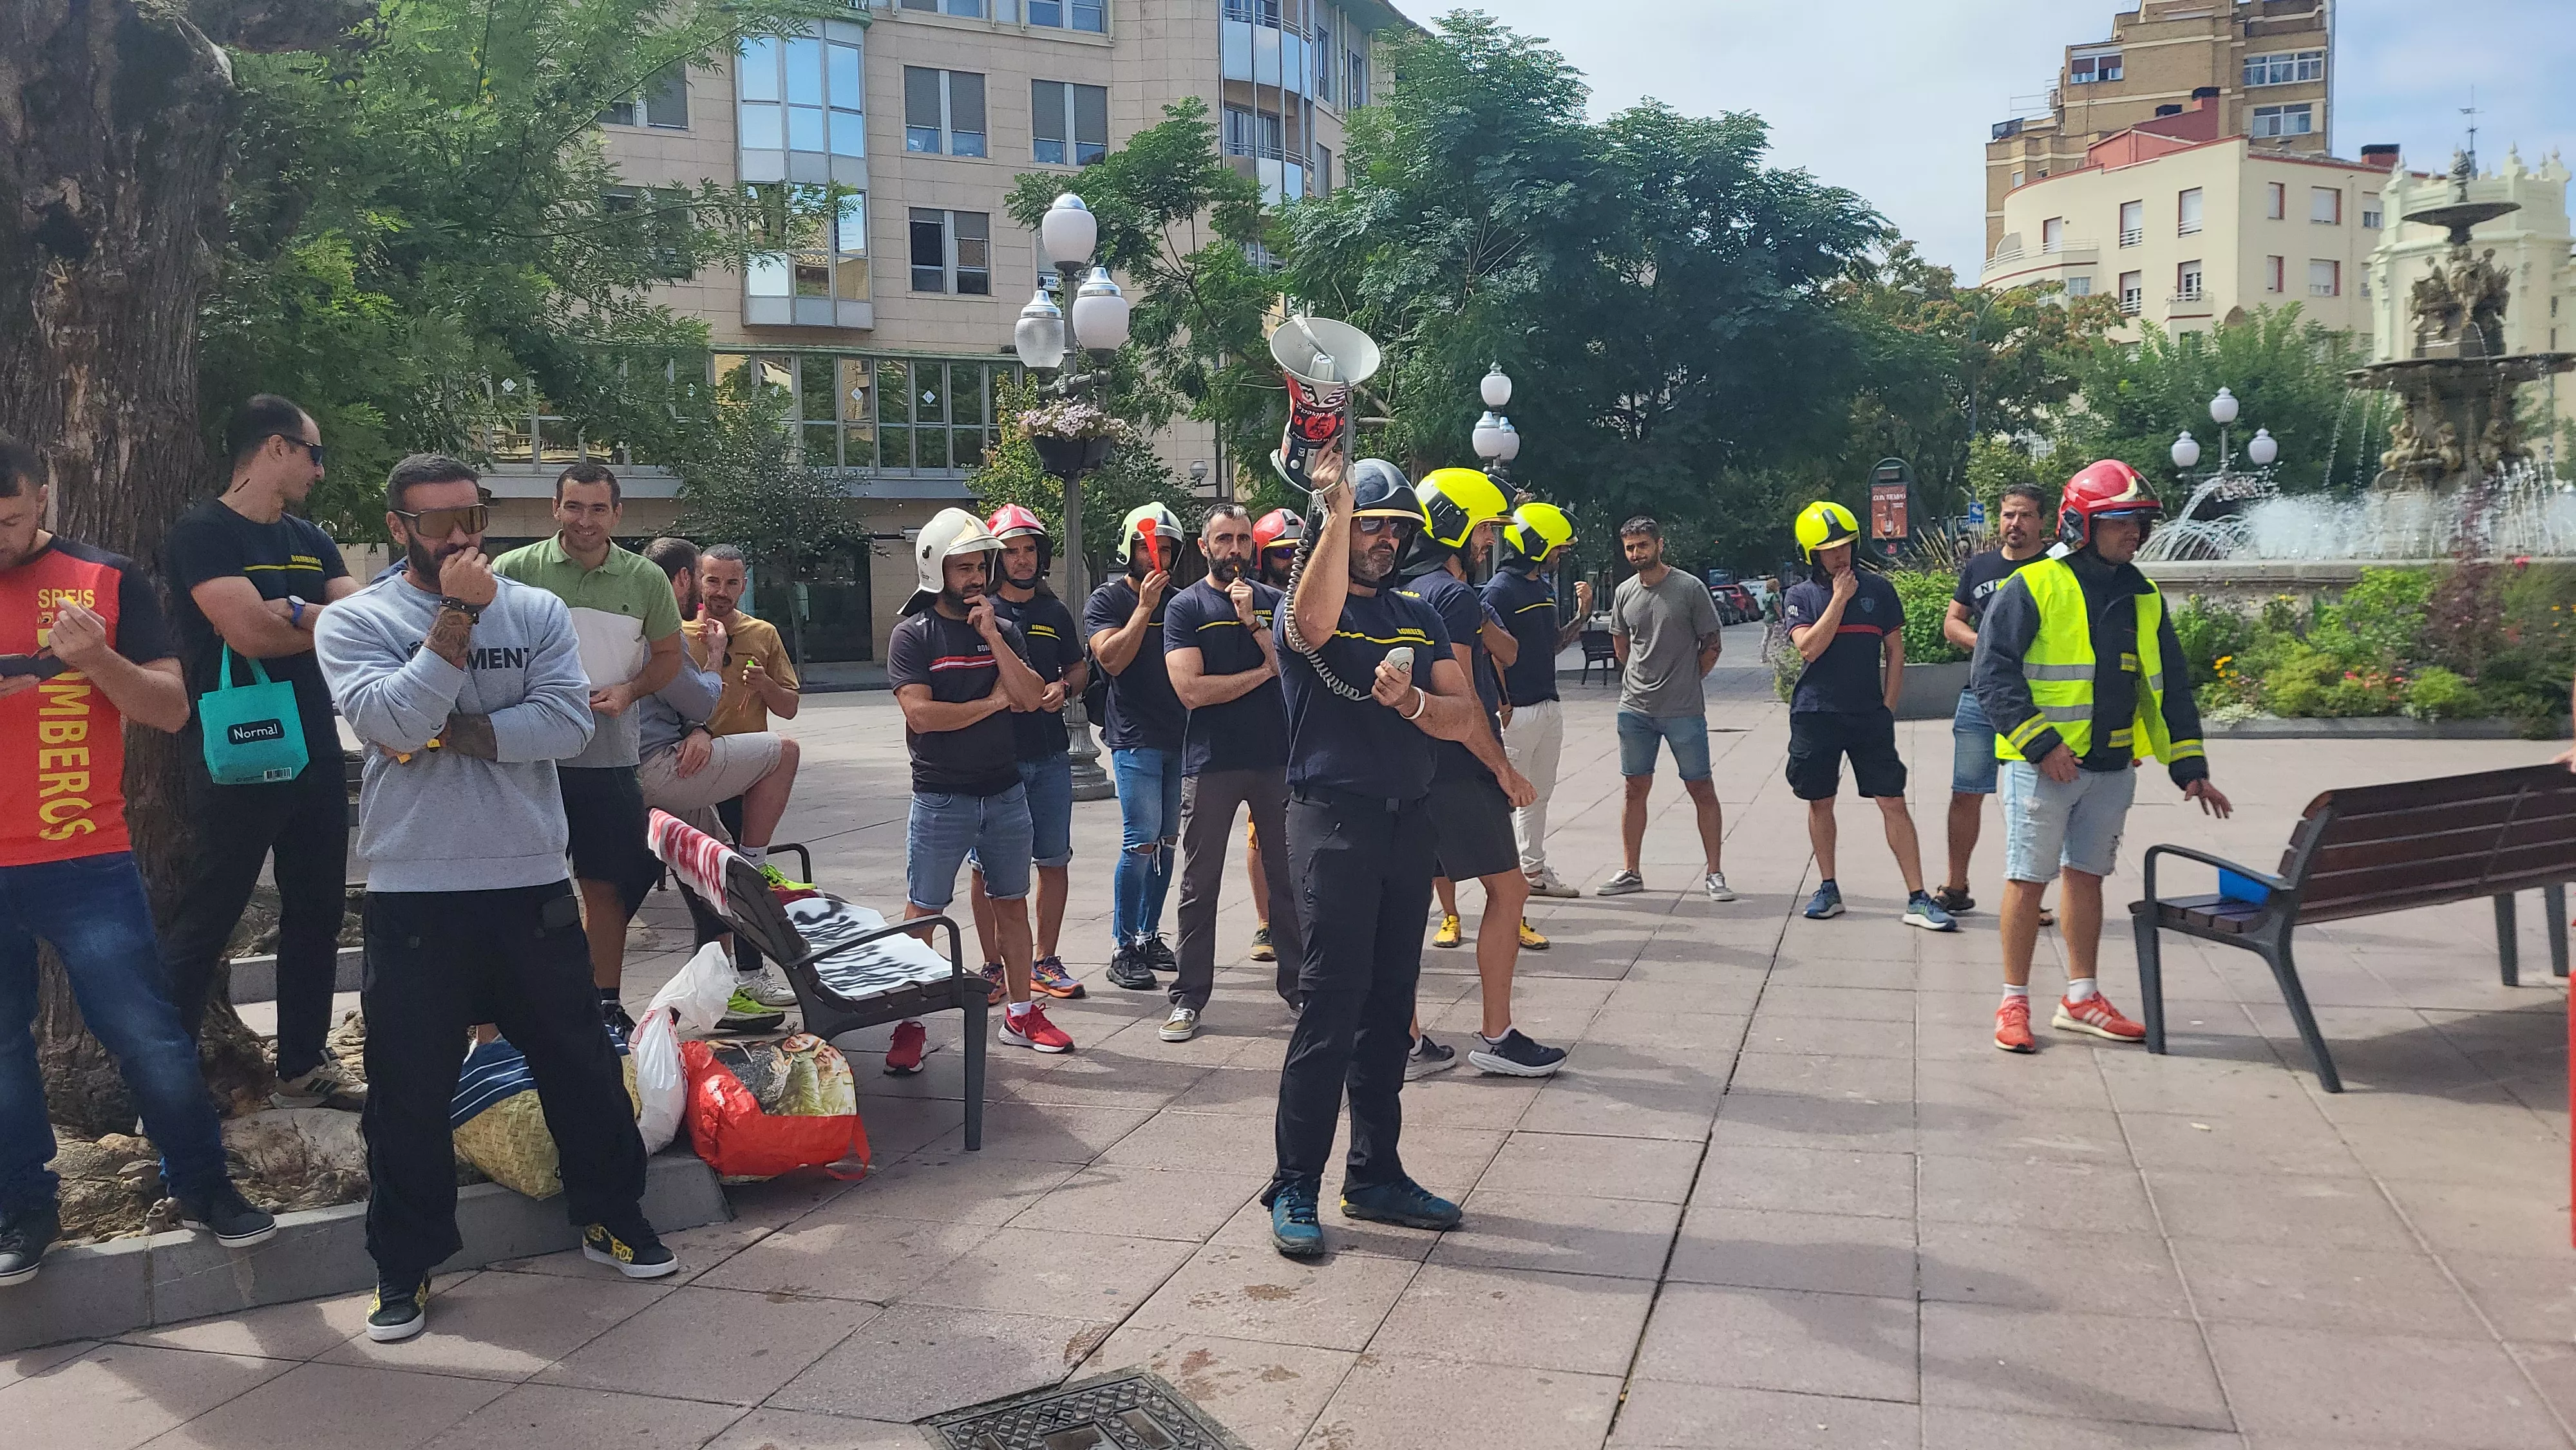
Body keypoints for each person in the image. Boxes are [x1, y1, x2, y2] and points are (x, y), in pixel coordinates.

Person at [316, 453, 670, 1344]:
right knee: (407, 1088)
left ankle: (610, 1214)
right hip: (416, 890)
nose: (459, 536)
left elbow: (569, 723)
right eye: (437, 522)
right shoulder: (356, 622)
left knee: (578, 1060)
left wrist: (447, 729)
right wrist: (454, 624)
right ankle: (405, 1264)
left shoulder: (538, 610)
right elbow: (387, 725)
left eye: (469, 516)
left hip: (529, 881)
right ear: (399, 527)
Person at [0, 431, 278, 1288]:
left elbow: (166, 707)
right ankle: (23, 1211)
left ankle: (203, 1188)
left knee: (151, 1040)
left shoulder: (104, 578)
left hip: (85, 859)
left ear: (41, 497)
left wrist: (95, 661)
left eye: (8, 520)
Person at [1264, 451, 1494, 1259]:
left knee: (1391, 1007)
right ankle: (1294, 1182)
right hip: (1332, 821)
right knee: (1329, 1006)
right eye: (1371, 525)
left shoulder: (1418, 613)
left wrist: (1420, 702)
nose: (1385, 539)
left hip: (1407, 824)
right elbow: (1314, 627)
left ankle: (1375, 1174)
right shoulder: (1303, 611)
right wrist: (1332, 513)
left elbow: (1463, 714)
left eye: (1394, 527)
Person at [1972, 460, 2231, 1053]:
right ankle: (2013, 1002)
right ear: (2079, 524)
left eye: (2139, 523)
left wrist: (2190, 768)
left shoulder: (2144, 595)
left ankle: (2081, 998)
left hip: (2112, 767)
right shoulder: (2034, 584)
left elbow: (2170, 684)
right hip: (2041, 767)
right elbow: (1991, 674)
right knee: (2027, 880)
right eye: (2120, 522)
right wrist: (2041, 745)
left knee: (2087, 880)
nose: (2133, 534)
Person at [158, 395, 365, 1109]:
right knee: (211, 912)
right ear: (276, 447)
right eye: (315, 452)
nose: (321, 468)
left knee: (318, 907)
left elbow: (364, 621)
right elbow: (250, 634)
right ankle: (166, 1074)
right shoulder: (203, 531)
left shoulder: (313, 536)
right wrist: (313, 620)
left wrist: (300, 614)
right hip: (236, 750)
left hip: (314, 748)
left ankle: (304, 1062)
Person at [494, 464, 685, 1036]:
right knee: (517, 881)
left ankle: (604, 1002)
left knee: (606, 882)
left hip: (609, 753)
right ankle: (509, 1009)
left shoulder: (646, 578)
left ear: (617, 514)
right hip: (529, 753)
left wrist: (630, 690)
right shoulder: (513, 570)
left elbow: (669, 659)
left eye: (598, 509)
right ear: (555, 507)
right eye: (574, 507)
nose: (585, 520)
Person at [883, 509, 1069, 1070]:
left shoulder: (1002, 629)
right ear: (934, 570)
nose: (974, 578)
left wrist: (993, 635)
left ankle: (1020, 1013)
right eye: (960, 567)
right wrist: (992, 703)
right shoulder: (912, 635)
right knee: (924, 912)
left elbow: (1032, 695)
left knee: (1012, 905)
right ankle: (909, 1024)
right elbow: (922, 716)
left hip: (1005, 792)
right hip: (942, 795)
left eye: (978, 566)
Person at [1396, 471, 1556, 1078]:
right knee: (1510, 891)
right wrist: (1505, 769)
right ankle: (1495, 1033)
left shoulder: (1411, 589)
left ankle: (1405, 1039)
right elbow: (1461, 699)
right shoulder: (1456, 597)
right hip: (1458, 768)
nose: (1491, 540)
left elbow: (1506, 653)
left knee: (1409, 904)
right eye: (1485, 527)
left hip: (1413, 769)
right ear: (1457, 525)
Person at [634, 537, 800, 1030]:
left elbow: (788, 706)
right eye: (712, 580)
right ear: (693, 581)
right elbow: (685, 704)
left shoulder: (762, 633)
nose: (721, 591)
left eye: (732, 582)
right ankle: (720, 982)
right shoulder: (672, 632)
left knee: (734, 877)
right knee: (711, 884)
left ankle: (745, 978)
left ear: (744, 585)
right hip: (691, 770)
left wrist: (764, 686)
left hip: (746, 776)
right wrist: (702, 729)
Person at [1162, 505, 1302, 1042]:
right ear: (1204, 546)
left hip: (1276, 759)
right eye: (1225, 539)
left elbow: (1289, 671)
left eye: (1244, 539)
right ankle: (1188, 997)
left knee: (1288, 880)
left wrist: (1255, 627)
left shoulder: (1272, 603)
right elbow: (1192, 691)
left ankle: (1298, 989)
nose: (1236, 549)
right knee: (1200, 883)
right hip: (1212, 762)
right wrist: (1260, 672)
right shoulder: (1185, 607)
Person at [1782, 501, 1955, 930]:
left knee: (1892, 801)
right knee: (1820, 801)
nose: (1839, 555)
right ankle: (1828, 887)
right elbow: (1809, 648)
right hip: (1816, 713)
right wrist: (1839, 600)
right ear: (1811, 554)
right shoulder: (1801, 596)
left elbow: (1895, 650)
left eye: (1845, 545)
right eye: (1829, 549)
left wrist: (1888, 707)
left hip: (1867, 715)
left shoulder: (1879, 590)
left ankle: (1917, 896)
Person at [966, 505, 1086, 1003]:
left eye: (1029, 550)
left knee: (1054, 859)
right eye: (1012, 552)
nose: (1021, 560)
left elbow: (1079, 670)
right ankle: (994, 965)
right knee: (986, 867)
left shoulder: (1053, 612)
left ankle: (1045, 960)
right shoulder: (980, 611)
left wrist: (1065, 688)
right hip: (998, 760)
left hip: (1051, 754)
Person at [1936, 482, 2053, 919]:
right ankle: (1956, 885)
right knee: (1966, 792)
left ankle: (2030, 897)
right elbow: (1952, 621)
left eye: (2024, 515)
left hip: (2036, 703)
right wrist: (1987, 643)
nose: (2015, 524)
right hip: (1980, 699)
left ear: (2042, 520)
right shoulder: (1980, 567)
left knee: (2032, 801)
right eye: (2008, 515)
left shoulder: (2055, 569)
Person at [1598, 518, 1730, 901]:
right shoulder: (1624, 592)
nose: (1636, 554)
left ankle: (1715, 873)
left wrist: (1689, 681)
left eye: (1642, 545)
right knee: (1633, 787)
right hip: (1635, 708)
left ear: (1659, 544)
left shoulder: (1690, 588)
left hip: (1683, 709)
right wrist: (1638, 681)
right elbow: (1622, 647)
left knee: (1700, 786)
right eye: (1629, 548)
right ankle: (1630, 870)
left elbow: (1713, 643)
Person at [1084, 504, 1188, 992]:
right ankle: (1122, 944)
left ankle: (1149, 935)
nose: (1158, 556)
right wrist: (1145, 609)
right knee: (1140, 841)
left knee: (1168, 843)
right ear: (1130, 549)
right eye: (1150, 547)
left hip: (1179, 737)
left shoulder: (1183, 601)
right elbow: (1111, 660)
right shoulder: (1107, 600)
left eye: (1166, 548)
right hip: (1134, 738)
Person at [1482, 503, 1593, 898]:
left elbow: (1553, 645)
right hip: (1516, 712)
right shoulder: (1499, 589)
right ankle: (1505, 878)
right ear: (1536, 543)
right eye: (1558, 548)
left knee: (1538, 794)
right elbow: (1489, 651)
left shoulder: (1542, 588)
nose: (1561, 555)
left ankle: (1533, 870)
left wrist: (1582, 616)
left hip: (1549, 705)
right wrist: (1503, 704)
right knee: (1506, 799)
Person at [1242, 507, 1304, 962]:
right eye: (1281, 553)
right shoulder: (1253, 600)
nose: (1291, 560)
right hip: (1266, 735)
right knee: (1262, 837)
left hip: (1313, 732)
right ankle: (1267, 923)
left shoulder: (1320, 595)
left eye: (1297, 552)